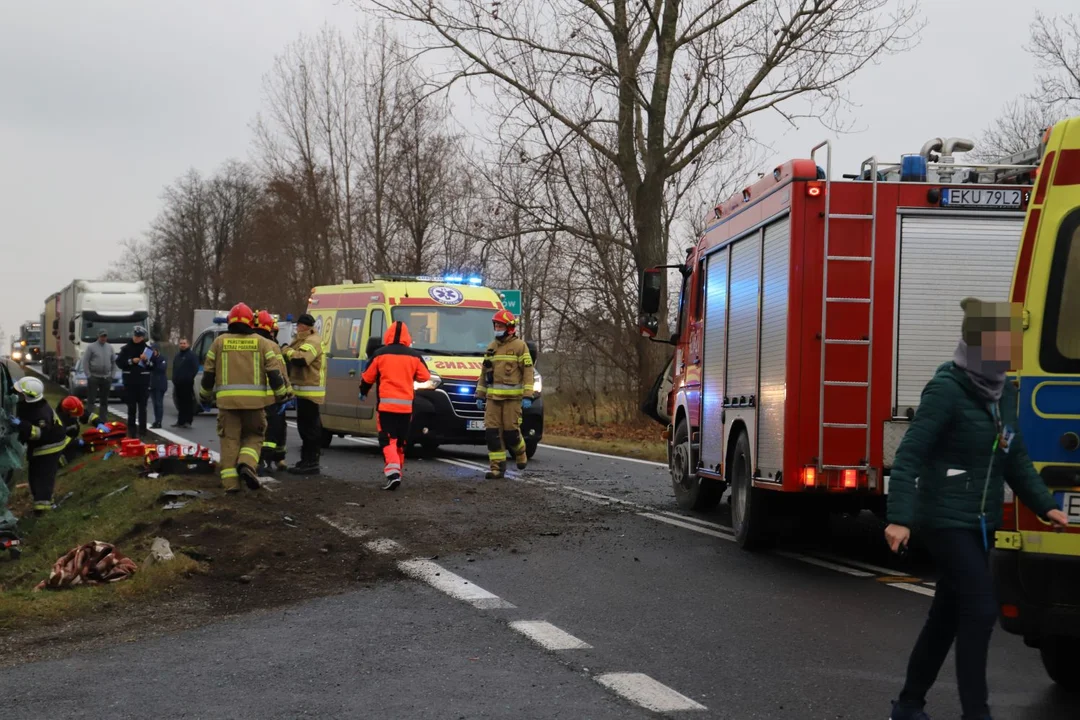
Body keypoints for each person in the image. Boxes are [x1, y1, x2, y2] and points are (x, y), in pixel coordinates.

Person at [885, 297, 1069, 720]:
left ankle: (909, 703)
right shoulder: (946, 389)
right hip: (944, 519)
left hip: (978, 521)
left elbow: (1015, 457)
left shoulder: (1005, 392)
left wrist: (1046, 505)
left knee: (946, 614)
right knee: (981, 609)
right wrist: (898, 518)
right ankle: (976, 713)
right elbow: (910, 455)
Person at [199, 302, 289, 493]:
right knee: (254, 436)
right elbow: (274, 373)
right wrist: (282, 395)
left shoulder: (219, 342)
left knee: (230, 440)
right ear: (251, 322)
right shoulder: (262, 342)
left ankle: (231, 485)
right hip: (255, 404)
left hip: (227, 404)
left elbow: (208, 375)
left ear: (230, 321)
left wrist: (205, 397)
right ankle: (247, 464)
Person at [360, 321, 431, 491]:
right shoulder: (414, 356)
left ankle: (393, 473)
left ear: (388, 335)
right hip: (406, 408)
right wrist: (409, 374)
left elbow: (367, 378)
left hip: (386, 407)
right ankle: (397, 471)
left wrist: (363, 391)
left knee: (387, 439)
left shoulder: (379, 354)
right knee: (400, 442)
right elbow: (425, 376)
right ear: (407, 337)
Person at [475, 309, 534, 479]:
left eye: (500, 325)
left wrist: (528, 395)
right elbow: (484, 372)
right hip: (493, 399)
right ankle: (497, 468)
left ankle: (521, 451)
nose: (497, 328)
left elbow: (528, 372)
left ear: (509, 327)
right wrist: (480, 394)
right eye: (495, 325)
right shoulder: (492, 347)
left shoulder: (520, 346)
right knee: (492, 433)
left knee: (510, 433)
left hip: (512, 400)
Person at [11, 377, 69, 514]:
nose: (17, 394)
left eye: (20, 393)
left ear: (27, 396)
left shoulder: (40, 413)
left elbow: (38, 434)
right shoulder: (32, 404)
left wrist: (22, 425)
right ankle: (45, 502)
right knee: (34, 476)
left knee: (42, 477)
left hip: (49, 447)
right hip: (41, 446)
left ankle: (42, 509)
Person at [283, 313, 325, 475]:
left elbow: (302, 359)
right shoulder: (302, 339)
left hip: (310, 391)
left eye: (299, 325)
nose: (297, 328)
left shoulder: (312, 341)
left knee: (310, 429)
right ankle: (305, 460)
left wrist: (286, 351)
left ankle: (311, 462)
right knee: (304, 427)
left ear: (305, 326)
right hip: (303, 390)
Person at [254, 311, 291, 474]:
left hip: (254, 396)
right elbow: (281, 372)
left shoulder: (249, 343)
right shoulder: (272, 346)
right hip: (272, 396)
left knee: (260, 429)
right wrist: (287, 394)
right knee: (271, 430)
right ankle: (267, 460)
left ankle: (268, 459)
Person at [116, 326, 152, 438]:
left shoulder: (148, 350)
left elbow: (153, 366)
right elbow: (119, 363)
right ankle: (131, 431)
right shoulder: (126, 349)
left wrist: (146, 361)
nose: (137, 338)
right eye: (136, 336)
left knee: (143, 409)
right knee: (131, 408)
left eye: (139, 337)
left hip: (143, 383)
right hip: (130, 382)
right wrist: (131, 361)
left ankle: (142, 431)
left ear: (143, 338)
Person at [55, 395, 109, 465]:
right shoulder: (57, 421)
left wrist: (98, 423)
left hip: (72, 441)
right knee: (68, 456)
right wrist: (76, 442)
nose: (78, 416)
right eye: (75, 414)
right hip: (59, 446)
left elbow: (89, 416)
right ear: (67, 412)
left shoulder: (74, 409)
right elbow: (59, 438)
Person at [82, 330, 114, 419]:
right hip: (94, 377)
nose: (103, 338)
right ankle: (89, 417)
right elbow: (85, 361)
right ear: (98, 336)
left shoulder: (110, 347)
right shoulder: (91, 347)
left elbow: (113, 362)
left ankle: (103, 418)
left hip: (106, 377)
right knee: (91, 399)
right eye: (102, 336)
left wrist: (112, 375)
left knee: (104, 400)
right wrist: (88, 375)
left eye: (105, 336)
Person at [171, 337, 198, 429]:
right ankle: (180, 421)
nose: (182, 345)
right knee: (180, 403)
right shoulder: (177, 356)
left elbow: (195, 368)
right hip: (178, 383)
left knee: (187, 402)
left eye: (184, 343)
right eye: (181, 343)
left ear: (188, 344)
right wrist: (174, 378)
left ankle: (188, 421)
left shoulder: (191, 355)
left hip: (187, 383)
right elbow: (174, 367)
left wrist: (189, 378)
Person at [148, 344, 168, 429]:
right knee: (155, 404)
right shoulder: (150, 360)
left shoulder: (162, 358)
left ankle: (159, 421)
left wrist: (153, 363)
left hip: (160, 384)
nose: (153, 352)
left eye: (154, 351)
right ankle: (156, 420)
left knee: (159, 403)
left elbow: (161, 369)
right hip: (152, 384)